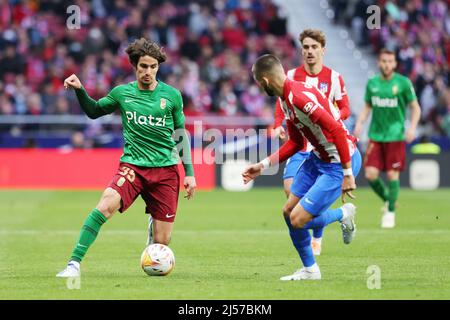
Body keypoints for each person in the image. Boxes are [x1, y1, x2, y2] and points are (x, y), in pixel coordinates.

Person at [56, 38, 197, 278]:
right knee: (105, 206)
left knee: (162, 243)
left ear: (158, 67)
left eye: (153, 67)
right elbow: (93, 111)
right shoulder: (122, 93)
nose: (148, 72)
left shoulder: (172, 96)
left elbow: (181, 135)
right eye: (143, 66)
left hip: (165, 171)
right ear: (135, 65)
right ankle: (73, 264)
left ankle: (154, 224)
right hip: (133, 167)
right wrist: (80, 89)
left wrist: (190, 174)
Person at [243, 54, 361, 280]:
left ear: (266, 81)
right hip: (318, 158)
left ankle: (342, 214)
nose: (259, 87)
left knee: (298, 219)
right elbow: (296, 142)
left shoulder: (298, 97)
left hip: (337, 163)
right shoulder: (284, 99)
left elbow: (336, 129)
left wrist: (347, 173)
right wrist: (263, 165)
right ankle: (310, 270)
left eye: (259, 83)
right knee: (288, 212)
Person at [272, 29, 351, 256]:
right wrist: (278, 124)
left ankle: (317, 237)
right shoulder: (291, 76)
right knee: (290, 192)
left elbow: (345, 107)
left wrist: (331, 116)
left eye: (314, 47)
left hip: (323, 144)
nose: (309, 51)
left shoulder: (334, 78)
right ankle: (319, 224)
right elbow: (281, 104)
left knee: (308, 200)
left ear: (322, 50)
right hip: (301, 144)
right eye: (306, 47)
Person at [354, 49, 421, 229]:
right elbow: (367, 106)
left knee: (392, 174)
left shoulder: (403, 83)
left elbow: (415, 108)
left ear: (395, 64)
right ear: (378, 62)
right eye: (383, 61)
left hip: (396, 136)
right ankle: (388, 199)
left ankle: (390, 213)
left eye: (390, 61)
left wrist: (412, 128)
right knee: (370, 174)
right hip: (376, 135)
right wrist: (360, 122)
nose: (386, 64)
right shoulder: (372, 83)